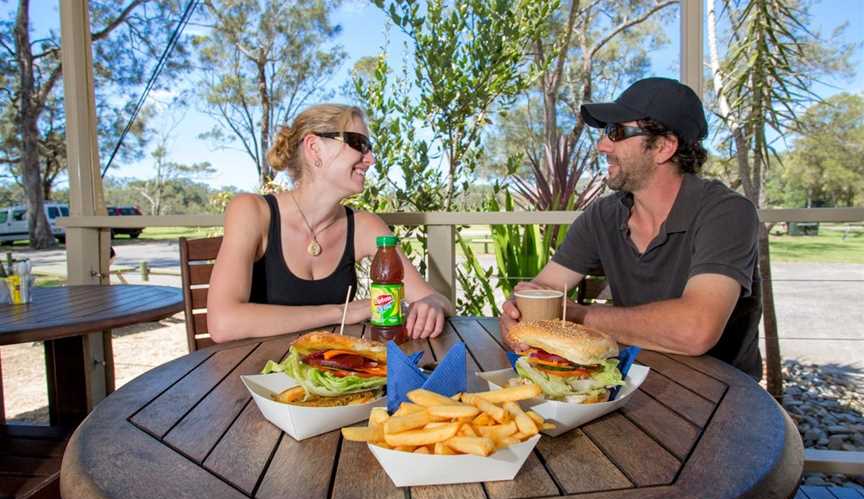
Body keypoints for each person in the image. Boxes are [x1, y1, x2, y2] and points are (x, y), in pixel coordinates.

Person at [500, 77, 762, 379]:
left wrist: (578, 315)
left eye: (616, 132)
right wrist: (520, 310)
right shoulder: (603, 215)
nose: (602, 146)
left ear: (663, 147)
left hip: (723, 393)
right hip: (634, 380)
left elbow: (696, 330)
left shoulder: (726, 212)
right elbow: (545, 288)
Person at [207, 103, 453, 343]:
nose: (370, 159)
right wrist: (341, 312)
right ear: (315, 148)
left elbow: (436, 299)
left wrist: (431, 304)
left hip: (332, 371)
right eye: (359, 144)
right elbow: (223, 323)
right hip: (253, 373)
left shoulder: (365, 226)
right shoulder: (252, 212)